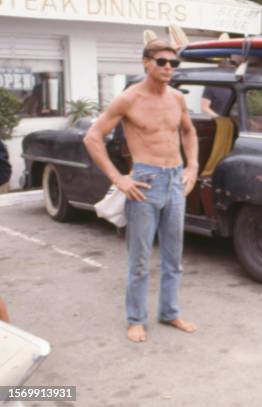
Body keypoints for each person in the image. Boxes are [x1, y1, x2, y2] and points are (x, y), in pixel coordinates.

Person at [83, 39, 199, 343]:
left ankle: (170, 312)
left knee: (174, 257)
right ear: (146, 62)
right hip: (145, 183)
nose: (168, 68)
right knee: (140, 259)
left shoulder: (177, 98)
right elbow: (92, 138)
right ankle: (136, 319)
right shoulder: (128, 99)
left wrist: (193, 167)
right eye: (161, 62)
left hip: (175, 181)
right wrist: (118, 177)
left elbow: (189, 131)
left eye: (173, 64)